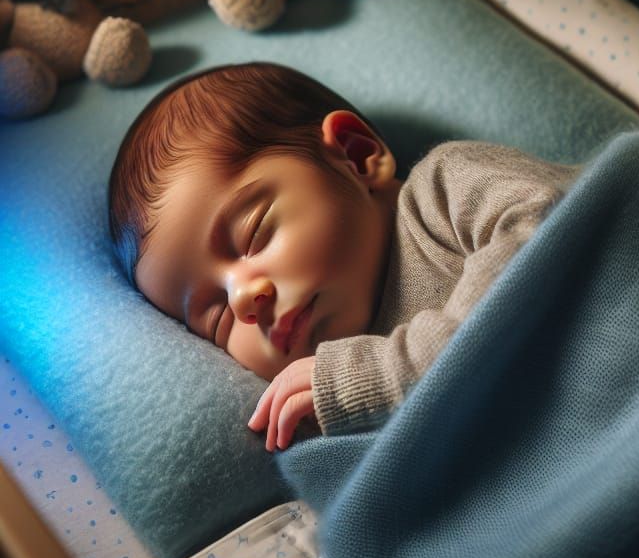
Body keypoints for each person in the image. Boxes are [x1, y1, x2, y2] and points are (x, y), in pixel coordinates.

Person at [108, 62, 576, 451]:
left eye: (253, 233)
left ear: (357, 155)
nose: (244, 301)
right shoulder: (328, 401)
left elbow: (550, 228)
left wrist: (389, 372)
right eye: (216, 319)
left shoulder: (441, 194)